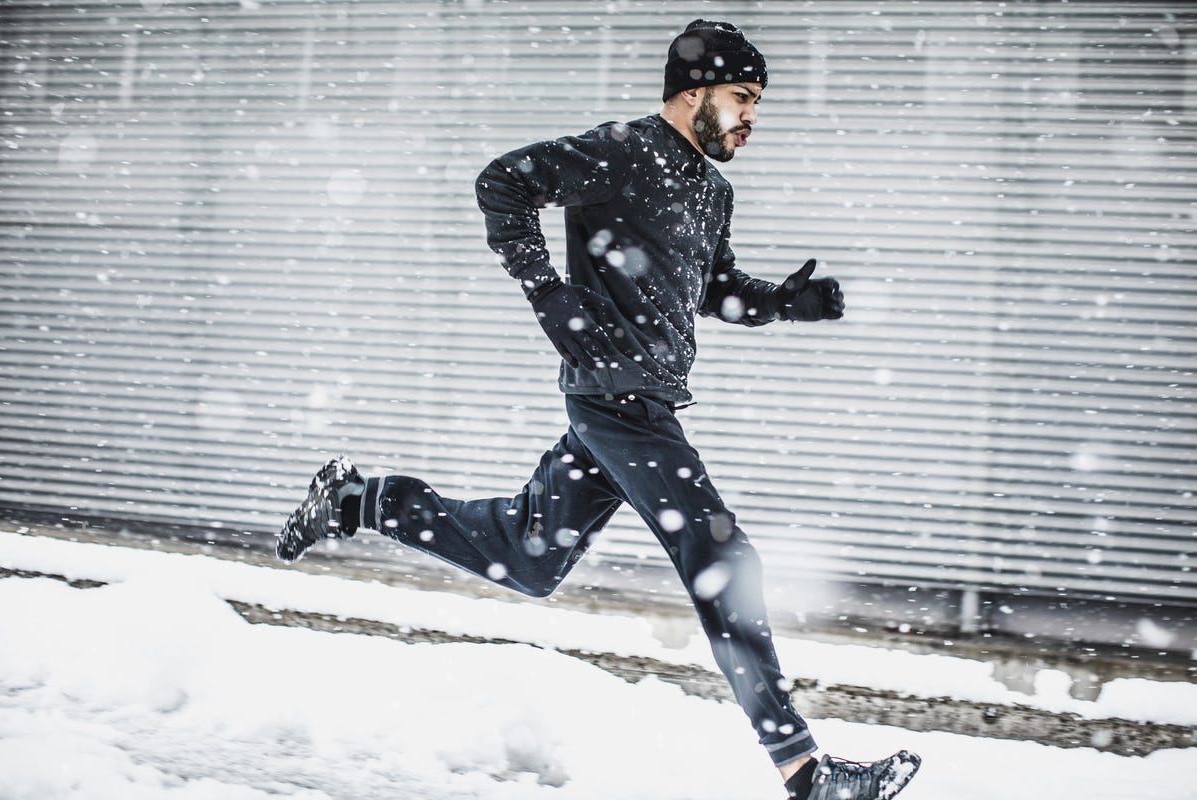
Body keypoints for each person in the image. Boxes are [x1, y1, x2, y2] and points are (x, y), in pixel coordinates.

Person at [277, 19, 920, 800]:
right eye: (743, 97)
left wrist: (783, 302)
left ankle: (353, 500)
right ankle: (808, 774)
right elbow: (502, 183)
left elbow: (712, 290)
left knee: (528, 557)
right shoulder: (622, 152)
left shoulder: (713, 192)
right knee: (724, 560)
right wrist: (549, 293)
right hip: (616, 402)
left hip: (635, 402)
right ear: (695, 93)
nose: (753, 117)